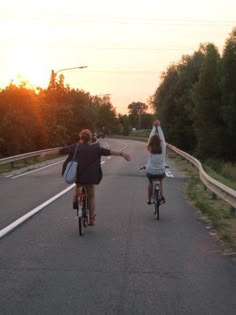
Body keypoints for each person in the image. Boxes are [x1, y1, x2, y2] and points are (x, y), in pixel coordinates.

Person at [40, 129, 131, 226]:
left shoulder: (75, 147)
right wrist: (123, 154)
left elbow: (60, 151)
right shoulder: (96, 149)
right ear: (90, 138)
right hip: (91, 177)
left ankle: (76, 198)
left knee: (78, 184)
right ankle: (92, 219)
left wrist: (45, 154)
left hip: (78, 176)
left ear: (80, 137)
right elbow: (109, 152)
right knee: (91, 197)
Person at [146, 120, 166, 205]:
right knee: (160, 181)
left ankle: (149, 200)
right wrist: (159, 127)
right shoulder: (163, 147)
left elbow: (150, 137)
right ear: (160, 141)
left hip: (151, 171)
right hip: (161, 170)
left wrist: (154, 127)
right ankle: (161, 196)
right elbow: (162, 137)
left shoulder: (149, 147)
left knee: (150, 182)